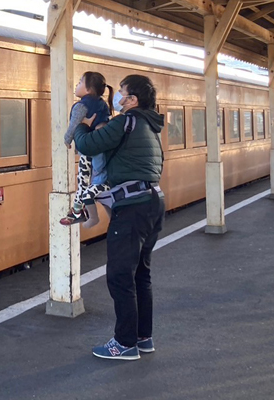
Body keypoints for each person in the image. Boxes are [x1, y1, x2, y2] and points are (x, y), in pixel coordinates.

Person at [73, 74, 165, 361]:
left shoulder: (124, 121)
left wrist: (80, 127)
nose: (118, 97)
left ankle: (124, 344)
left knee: (119, 276)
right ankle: (142, 337)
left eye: (122, 92)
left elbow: (87, 145)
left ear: (132, 99)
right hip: (152, 201)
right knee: (140, 274)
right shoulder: (149, 125)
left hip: (132, 206)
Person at [59, 71, 113, 228]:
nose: (76, 85)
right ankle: (78, 210)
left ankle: (79, 212)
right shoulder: (102, 103)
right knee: (95, 175)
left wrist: (67, 139)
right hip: (101, 146)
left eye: (80, 82)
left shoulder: (81, 105)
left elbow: (74, 124)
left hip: (88, 148)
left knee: (84, 178)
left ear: (89, 89)